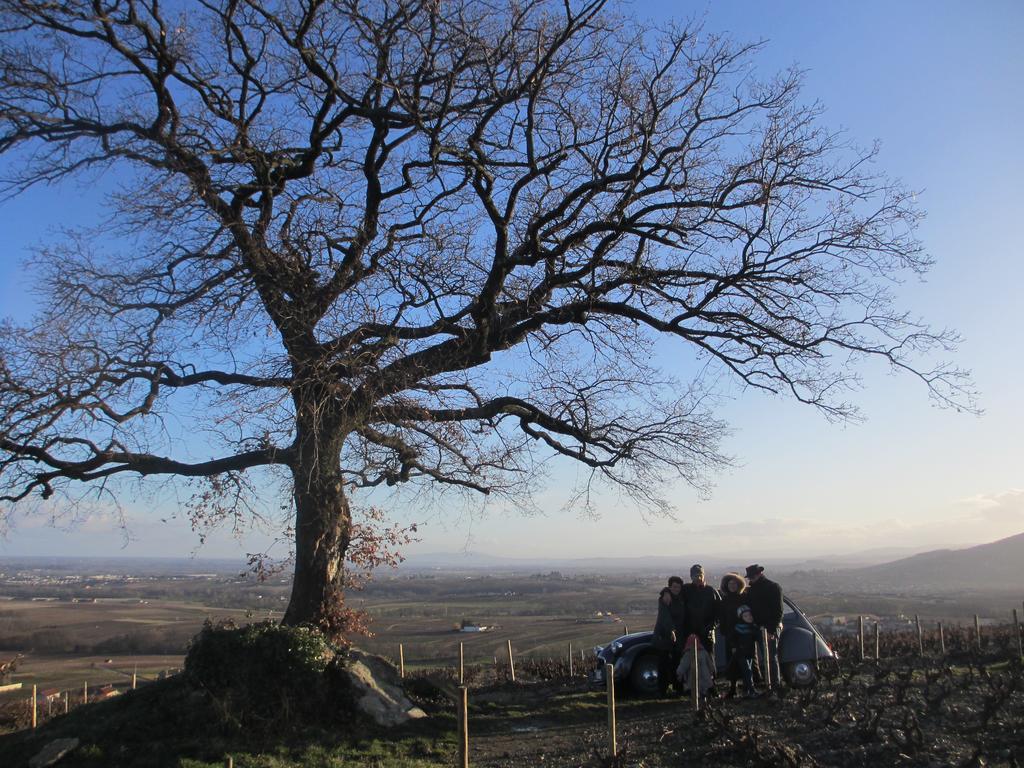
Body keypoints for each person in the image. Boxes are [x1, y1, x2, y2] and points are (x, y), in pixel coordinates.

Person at [745, 563, 784, 691]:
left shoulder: (773, 587)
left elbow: (778, 611)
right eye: (750, 578)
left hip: (769, 628)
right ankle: (764, 683)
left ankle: (775, 685)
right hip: (756, 627)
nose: (751, 579)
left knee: (771, 658)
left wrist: (771, 630)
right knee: (757, 658)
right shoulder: (751, 590)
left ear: (760, 574)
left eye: (752, 577)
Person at [718, 572, 749, 697]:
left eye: (734, 583)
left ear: (739, 584)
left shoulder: (744, 598)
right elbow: (722, 618)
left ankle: (748, 686)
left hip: (744, 634)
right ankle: (732, 687)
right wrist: (725, 631)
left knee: (746, 661)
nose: (732, 585)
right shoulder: (724, 600)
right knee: (731, 661)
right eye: (729, 583)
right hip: (730, 635)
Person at [680, 564, 721, 657]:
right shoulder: (685, 590)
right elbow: (673, 593)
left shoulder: (711, 591)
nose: (698, 578)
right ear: (691, 577)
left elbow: (719, 612)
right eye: (695, 576)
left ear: (704, 575)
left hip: (707, 634)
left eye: (700, 575)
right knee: (689, 660)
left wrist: (711, 627)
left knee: (709, 661)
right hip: (689, 633)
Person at [652, 587, 677, 696]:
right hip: (663, 639)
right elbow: (666, 619)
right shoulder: (664, 605)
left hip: (667, 640)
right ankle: (663, 690)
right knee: (663, 665)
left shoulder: (675, 602)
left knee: (670, 665)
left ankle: (667, 689)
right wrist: (672, 630)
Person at [676, 633, 715, 701]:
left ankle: (696, 702)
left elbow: (682, 668)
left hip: (693, 682)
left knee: (694, 694)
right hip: (706, 681)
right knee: (704, 694)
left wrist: (679, 674)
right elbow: (711, 666)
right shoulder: (704, 652)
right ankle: (704, 700)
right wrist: (711, 673)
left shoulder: (688, 655)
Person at [731, 605, 759, 698]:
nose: (749, 617)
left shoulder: (753, 627)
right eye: (746, 616)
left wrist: (754, 627)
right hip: (741, 653)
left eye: (750, 615)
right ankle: (751, 690)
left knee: (749, 670)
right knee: (747, 671)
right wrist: (735, 647)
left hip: (750, 652)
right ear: (741, 617)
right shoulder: (738, 628)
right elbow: (733, 639)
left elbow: (756, 637)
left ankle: (746, 690)